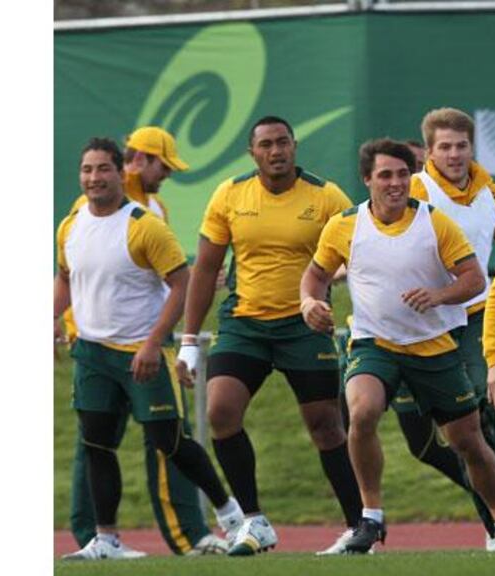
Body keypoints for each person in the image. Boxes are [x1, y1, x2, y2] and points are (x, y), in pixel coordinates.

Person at [299, 138, 495, 554]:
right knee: (361, 412)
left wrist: (439, 296)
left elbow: (474, 279)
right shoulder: (345, 224)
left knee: (467, 441)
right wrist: (309, 302)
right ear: (367, 180)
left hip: (433, 347)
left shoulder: (434, 222)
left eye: (402, 174)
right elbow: (315, 276)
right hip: (373, 343)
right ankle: (371, 517)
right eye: (385, 175)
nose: (396, 183)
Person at [175, 116, 363, 556]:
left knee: (327, 427)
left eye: (283, 142)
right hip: (244, 323)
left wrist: (331, 281)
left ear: (295, 147)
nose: (276, 151)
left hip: (303, 326)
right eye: (266, 144)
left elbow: (361, 253)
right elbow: (204, 269)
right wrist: (188, 341)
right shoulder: (230, 193)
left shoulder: (326, 196)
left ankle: (360, 527)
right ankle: (254, 522)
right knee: (221, 413)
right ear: (252, 153)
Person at [55, 138, 244, 561]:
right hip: (91, 354)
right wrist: (52, 319)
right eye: (87, 170)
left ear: (121, 173)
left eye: (103, 169)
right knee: (98, 446)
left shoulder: (144, 225)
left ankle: (231, 514)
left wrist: (155, 342)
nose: (94, 178)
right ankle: (106, 539)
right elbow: (65, 278)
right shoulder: (70, 226)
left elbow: (181, 283)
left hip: (142, 352)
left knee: (170, 440)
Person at [402, 108, 495, 551]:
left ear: (472, 147)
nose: (454, 154)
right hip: (420, 327)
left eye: (461, 145)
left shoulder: (493, 195)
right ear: (428, 152)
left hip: (476, 317)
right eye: (444, 147)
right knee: (450, 435)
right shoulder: (412, 190)